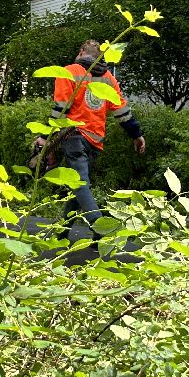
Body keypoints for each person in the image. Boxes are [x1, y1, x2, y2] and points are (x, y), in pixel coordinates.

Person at [34, 39, 146, 240]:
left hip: (73, 136)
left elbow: (61, 109)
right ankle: (63, 232)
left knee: (79, 184)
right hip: (95, 140)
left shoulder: (69, 72)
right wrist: (136, 135)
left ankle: (101, 228)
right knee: (78, 185)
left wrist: (44, 138)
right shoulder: (109, 79)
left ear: (81, 52)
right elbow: (122, 112)